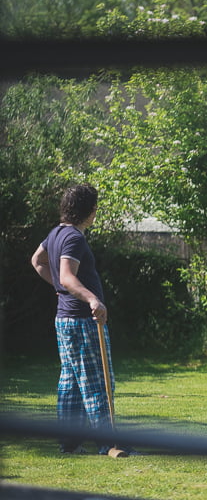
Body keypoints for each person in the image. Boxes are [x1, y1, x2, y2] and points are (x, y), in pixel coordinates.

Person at [31, 183, 125, 455]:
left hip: (64, 320)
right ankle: (109, 444)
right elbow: (67, 276)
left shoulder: (55, 234)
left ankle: (69, 441)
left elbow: (38, 261)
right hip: (83, 320)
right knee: (96, 382)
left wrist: (62, 290)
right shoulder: (74, 238)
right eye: (95, 207)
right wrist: (91, 298)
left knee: (71, 381)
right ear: (89, 210)